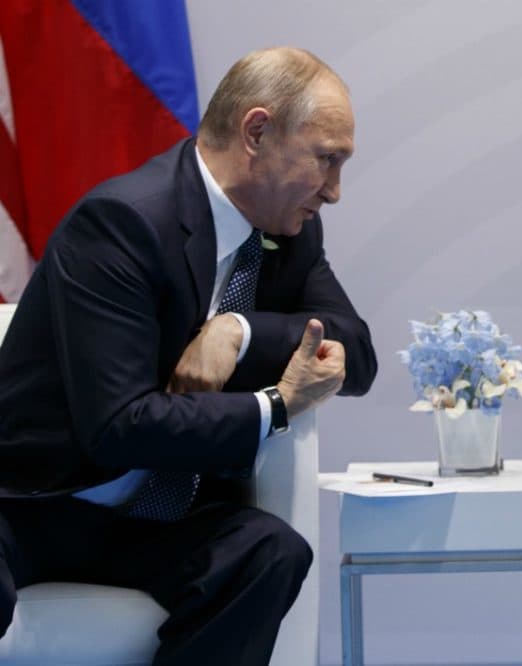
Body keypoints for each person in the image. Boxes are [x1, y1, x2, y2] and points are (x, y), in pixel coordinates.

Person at [0, 47, 377, 664]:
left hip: (155, 518)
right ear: (257, 131)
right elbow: (120, 428)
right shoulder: (123, 223)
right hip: (36, 503)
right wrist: (275, 407)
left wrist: (239, 330)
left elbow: (355, 354)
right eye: (326, 159)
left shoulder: (291, 228)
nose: (334, 191)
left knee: (269, 552)